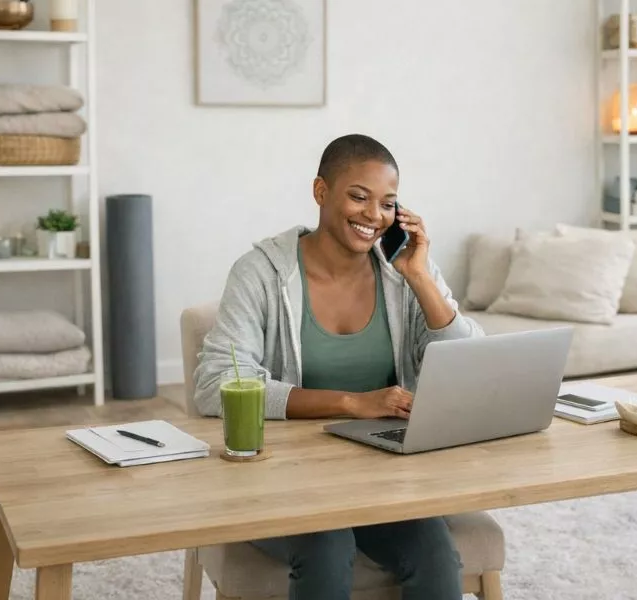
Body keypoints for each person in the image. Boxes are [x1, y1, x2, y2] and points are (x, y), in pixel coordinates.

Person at [193, 133, 484, 600]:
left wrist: (421, 277)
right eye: (358, 196)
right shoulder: (261, 273)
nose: (374, 215)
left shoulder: (400, 268)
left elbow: (471, 366)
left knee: (435, 556)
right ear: (321, 192)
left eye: (388, 203)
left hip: (384, 469)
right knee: (327, 544)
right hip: (287, 473)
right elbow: (215, 385)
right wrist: (353, 403)